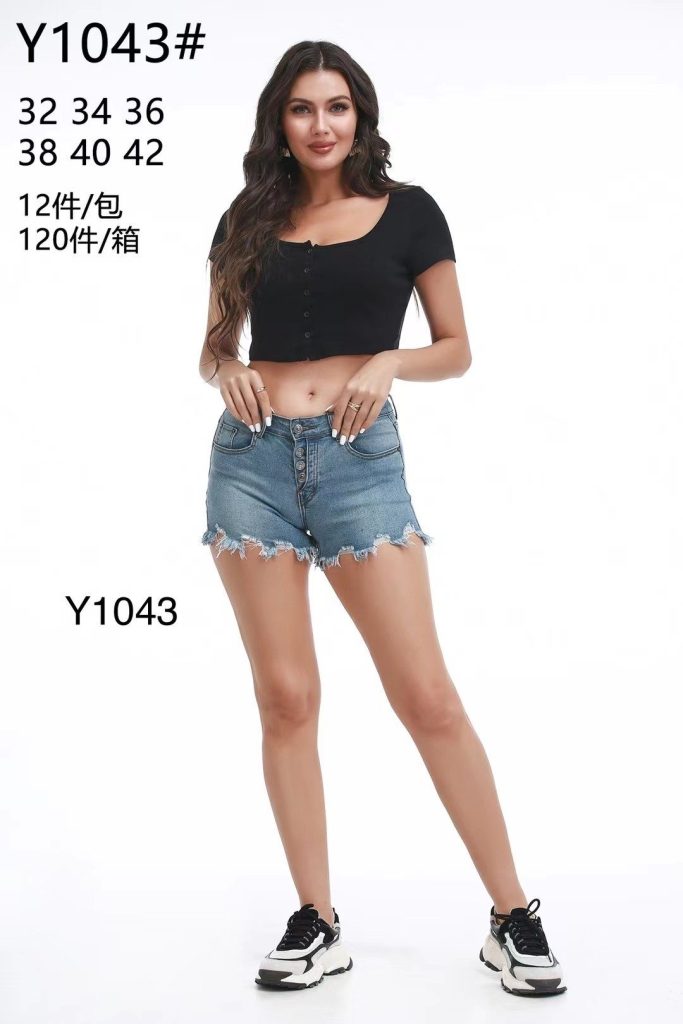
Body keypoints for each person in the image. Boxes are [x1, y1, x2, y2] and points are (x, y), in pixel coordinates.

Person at [199, 40, 567, 997]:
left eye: (336, 106)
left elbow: (456, 347)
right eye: (300, 108)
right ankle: (316, 921)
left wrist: (389, 361)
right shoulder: (247, 216)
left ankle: (511, 915)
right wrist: (224, 366)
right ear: (278, 123)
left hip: (359, 466)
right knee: (285, 699)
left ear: (359, 115)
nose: (319, 124)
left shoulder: (410, 212)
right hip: (249, 465)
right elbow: (212, 346)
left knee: (426, 697)